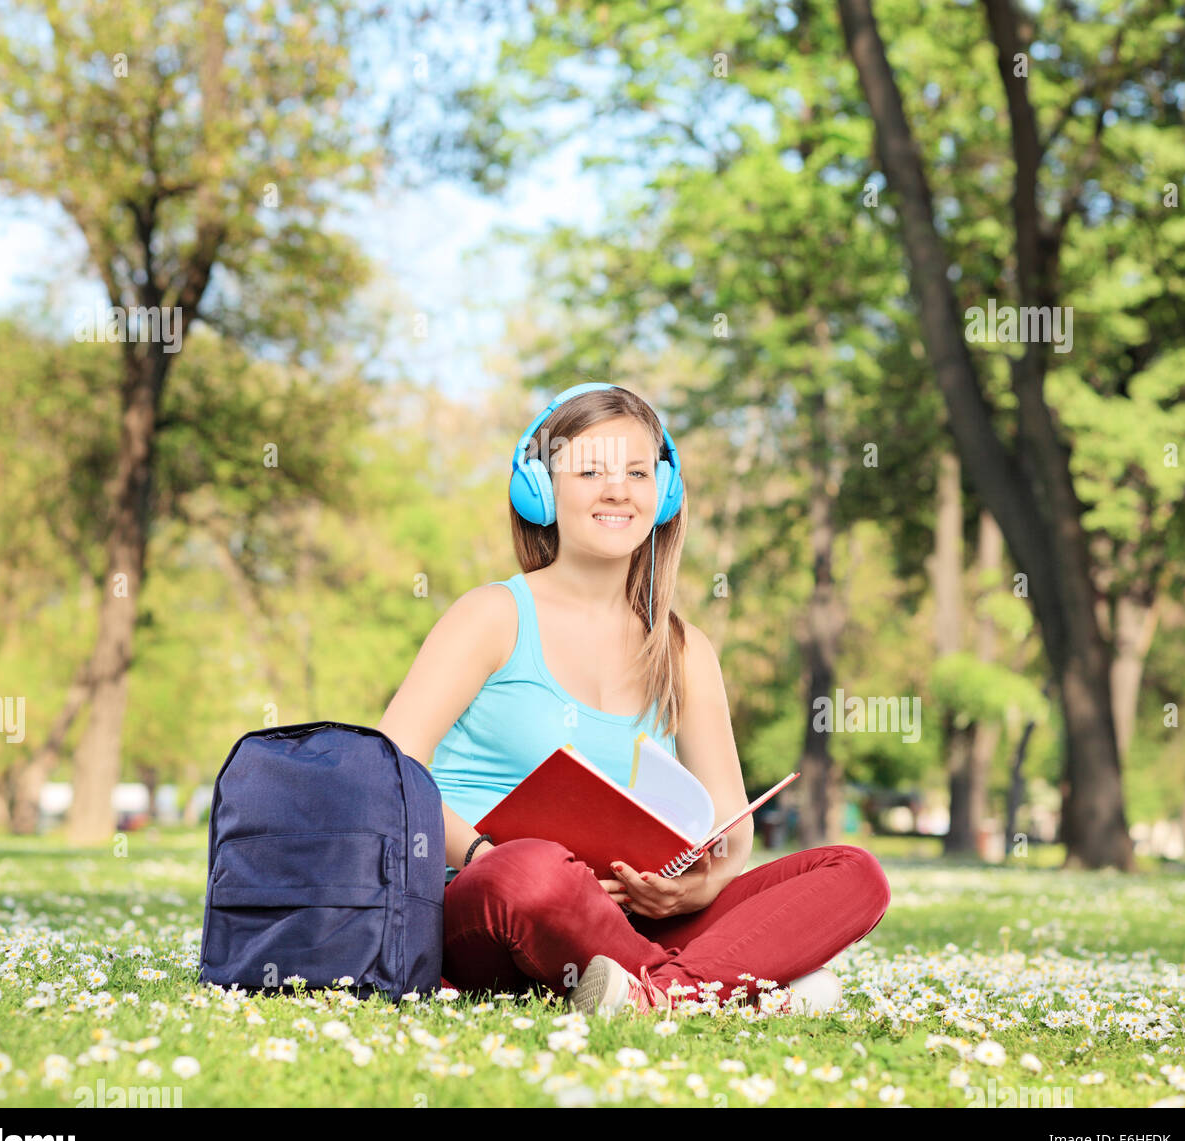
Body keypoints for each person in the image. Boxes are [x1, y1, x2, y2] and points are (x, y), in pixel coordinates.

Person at [377, 382, 891, 1016]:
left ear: (663, 493)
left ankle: (650, 993)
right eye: (590, 470)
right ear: (540, 491)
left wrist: (701, 883)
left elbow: (731, 826)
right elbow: (389, 773)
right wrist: (486, 852)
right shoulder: (491, 616)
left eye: (638, 471)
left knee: (853, 872)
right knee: (533, 871)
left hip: (633, 921)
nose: (617, 488)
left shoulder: (684, 649)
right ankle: (721, 989)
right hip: (492, 901)